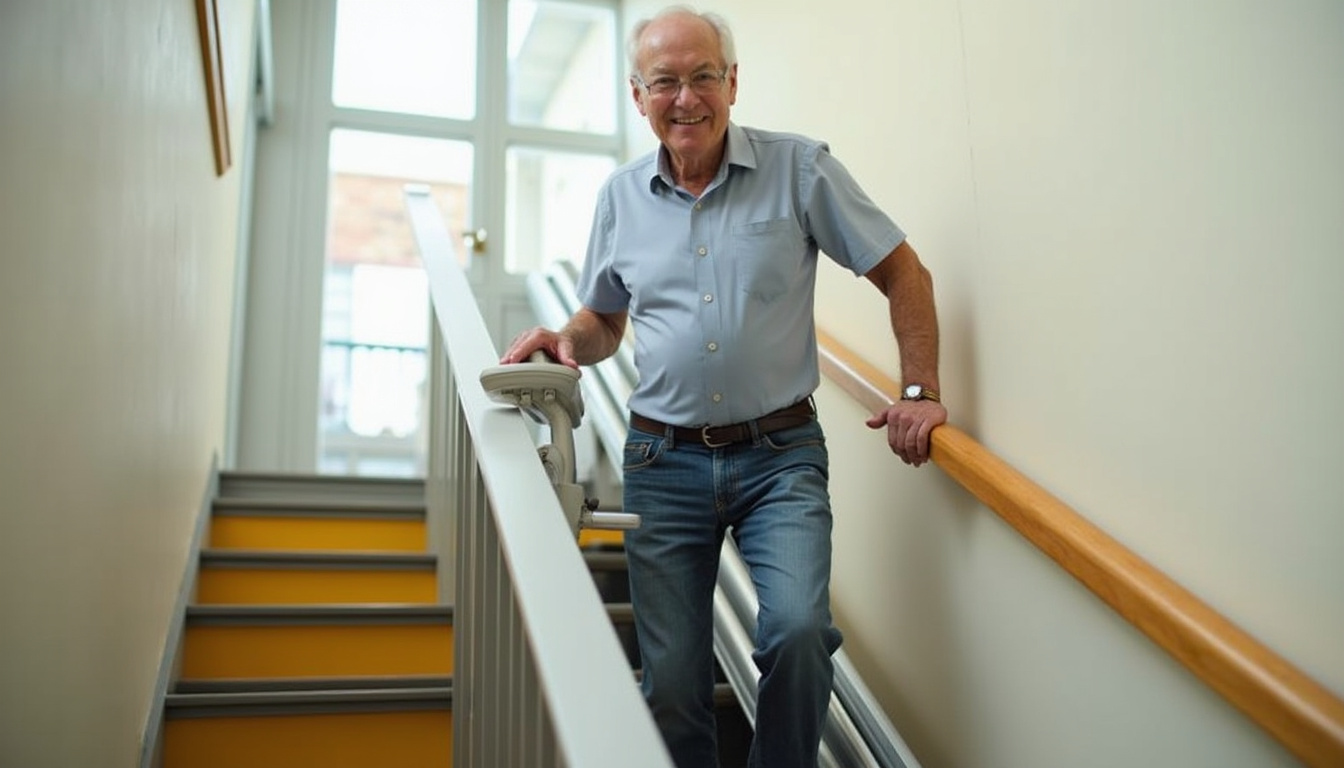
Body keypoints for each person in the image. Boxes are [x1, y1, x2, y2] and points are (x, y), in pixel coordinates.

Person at [500, 5, 947, 766]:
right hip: (660, 463)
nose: (686, 99)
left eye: (703, 76)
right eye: (665, 82)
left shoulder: (800, 169)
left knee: (799, 632)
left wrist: (918, 391)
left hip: (781, 456)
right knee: (672, 684)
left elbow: (903, 270)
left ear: (733, 83)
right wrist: (566, 342)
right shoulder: (619, 198)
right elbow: (604, 323)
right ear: (637, 95)